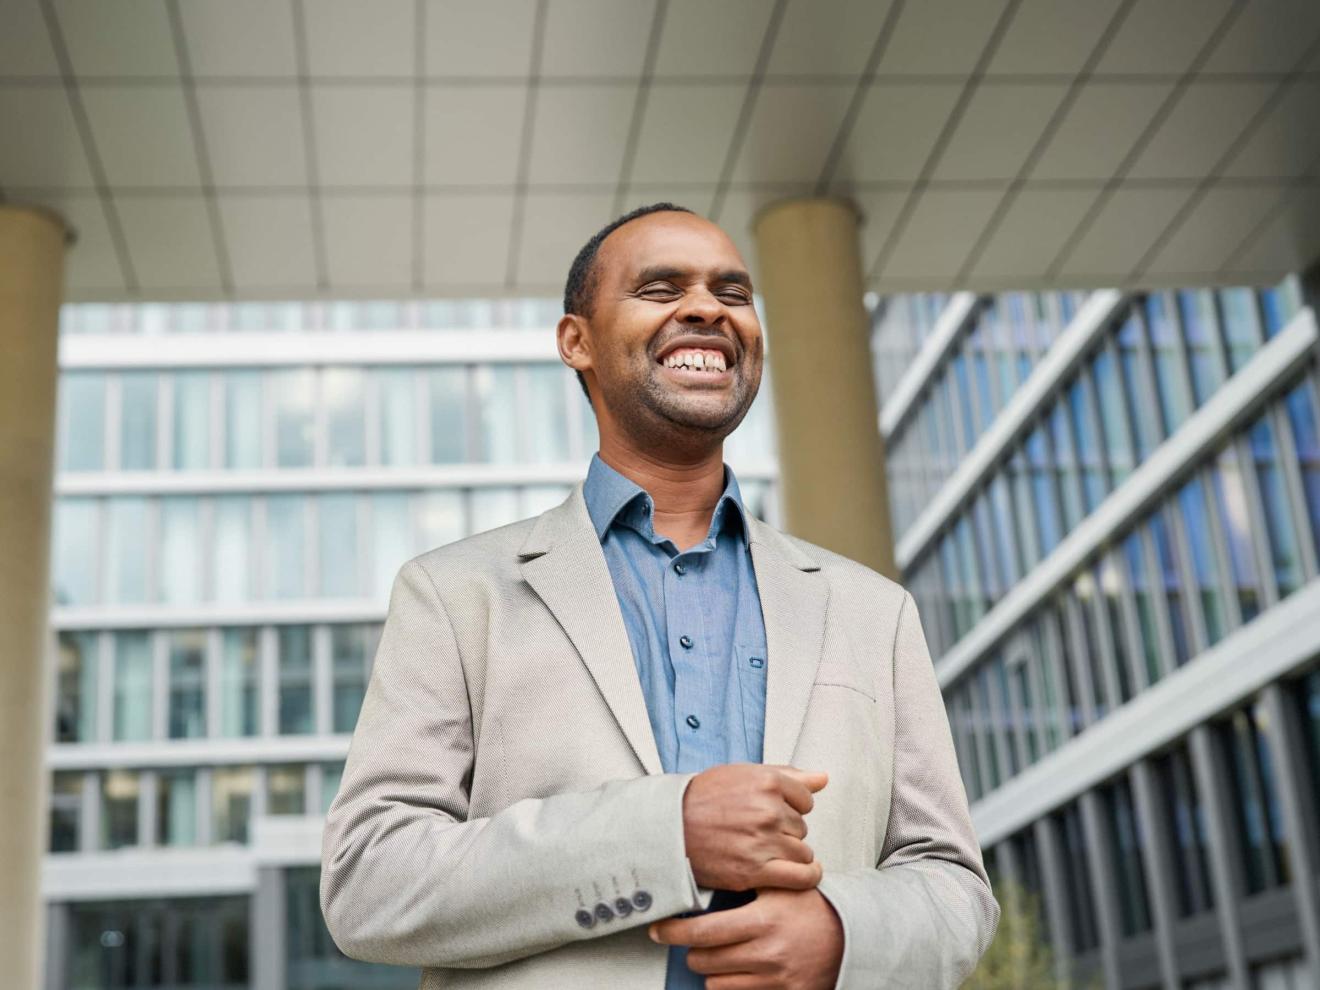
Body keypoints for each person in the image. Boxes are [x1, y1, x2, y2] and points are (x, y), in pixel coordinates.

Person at [321, 203, 998, 989]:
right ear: (577, 340)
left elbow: (953, 882)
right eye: (661, 287)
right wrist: (663, 836)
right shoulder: (454, 594)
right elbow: (368, 880)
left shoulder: (873, 611)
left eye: (733, 294)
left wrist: (843, 936)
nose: (708, 308)